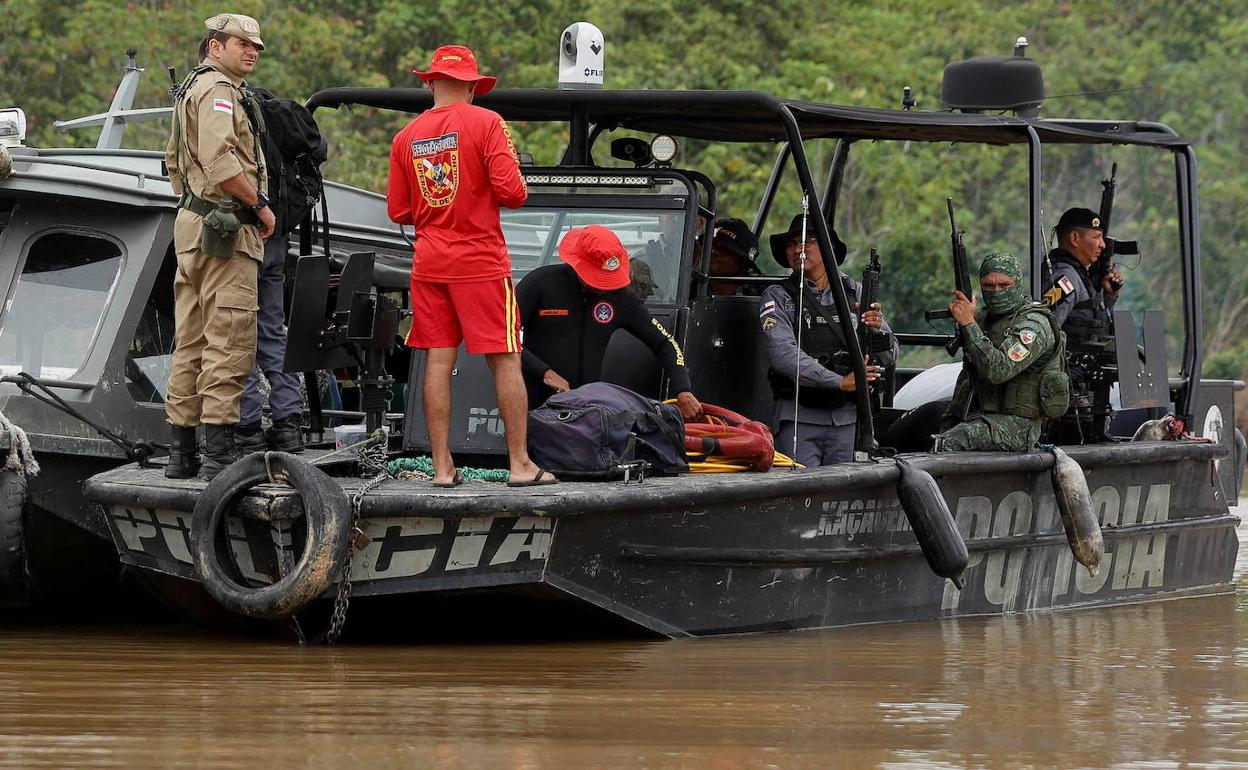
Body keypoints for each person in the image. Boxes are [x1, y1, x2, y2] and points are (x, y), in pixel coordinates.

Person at [387, 44, 554, 488]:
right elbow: (513, 192)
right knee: (506, 359)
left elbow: (399, 210)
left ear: (430, 83)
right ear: (474, 88)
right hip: (480, 261)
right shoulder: (488, 123)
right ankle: (520, 465)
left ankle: (442, 469)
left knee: (439, 363)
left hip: (428, 263)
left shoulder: (405, 138)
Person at [163, 13, 275, 481]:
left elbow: (173, 162)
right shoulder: (219, 92)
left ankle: (182, 452)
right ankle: (218, 458)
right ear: (215, 46)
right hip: (225, 226)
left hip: (193, 225)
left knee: (190, 340)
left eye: (255, 47)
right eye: (240, 44)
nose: (250, 52)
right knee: (228, 337)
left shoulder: (192, 88)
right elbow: (220, 160)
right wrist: (261, 206)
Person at [517, 225, 703, 420]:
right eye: (597, 277)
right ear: (579, 264)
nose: (603, 286)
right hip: (533, 409)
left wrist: (682, 388)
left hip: (585, 413)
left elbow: (665, 343)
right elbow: (502, 335)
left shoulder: (619, 297)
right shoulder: (541, 283)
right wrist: (545, 373)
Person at [760, 214, 898, 467]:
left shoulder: (855, 292)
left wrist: (876, 329)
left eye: (808, 241)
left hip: (848, 420)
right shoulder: (779, 296)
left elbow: (890, 356)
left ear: (828, 249)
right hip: (800, 419)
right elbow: (783, 355)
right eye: (791, 244)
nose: (798, 249)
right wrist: (838, 382)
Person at [935, 252, 1063, 452]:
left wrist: (969, 323)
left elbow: (998, 371)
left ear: (1018, 284)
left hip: (1019, 426)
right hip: (980, 415)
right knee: (923, 425)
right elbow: (968, 375)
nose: (996, 291)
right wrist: (950, 419)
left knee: (952, 441)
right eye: (988, 285)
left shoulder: (1034, 325)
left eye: (1004, 285)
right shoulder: (984, 320)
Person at [1044, 207, 1125, 442]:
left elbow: (1091, 323)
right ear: (1074, 238)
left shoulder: (1079, 277)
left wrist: (1107, 298)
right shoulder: (1064, 279)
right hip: (1069, 397)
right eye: (1096, 237)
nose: (1102, 245)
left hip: (1086, 395)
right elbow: (1047, 331)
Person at [707, 217, 761, 296]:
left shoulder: (756, 296)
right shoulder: (689, 283)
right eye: (714, 243)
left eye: (725, 248)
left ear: (742, 262)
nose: (714, 250)